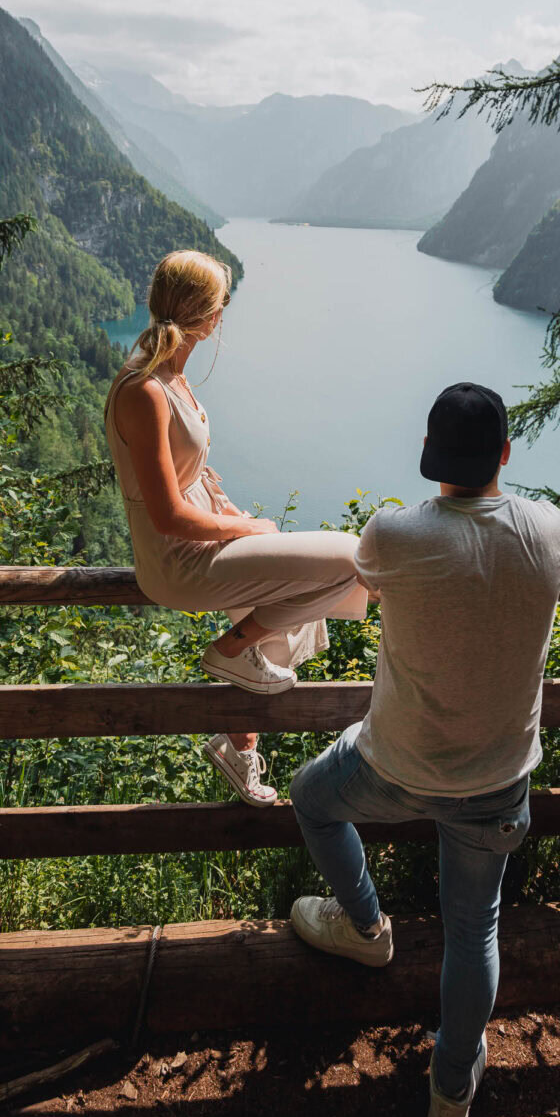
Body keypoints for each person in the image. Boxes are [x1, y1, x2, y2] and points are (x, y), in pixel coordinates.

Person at [288, 382, 560, 1117]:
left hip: (395, 767)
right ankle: (450, 1094)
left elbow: (370, 584)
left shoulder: (393, 534)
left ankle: (364, 927)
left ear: (426, 455)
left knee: (312, 799)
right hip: (497, 783)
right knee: (473, 930)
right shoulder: (547, 529)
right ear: (505, 455)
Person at [104, 249, 368, 807]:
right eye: (221, 305)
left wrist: (236, 519)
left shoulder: (167, 378)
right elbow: (167, 514)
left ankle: (239, 740)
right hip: (181, 561)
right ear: (207, 317)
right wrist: (244, 532)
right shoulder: (145, 390)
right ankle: (230, 650)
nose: (223, 316)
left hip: (197, 546)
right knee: (352, 558)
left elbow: (182, 476)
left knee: (302, 587)